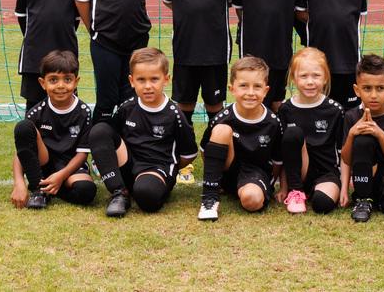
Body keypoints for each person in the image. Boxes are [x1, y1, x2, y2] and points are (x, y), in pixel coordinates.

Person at [87, 48, 198, 217]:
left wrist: (169, 171)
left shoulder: (175, 114)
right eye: (141, 80)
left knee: (146, 195)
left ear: (166, 79)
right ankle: (119, 193)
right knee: (99, 131)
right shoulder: (127, 108)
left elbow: (189, 154)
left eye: (154, 79)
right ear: (132, 81)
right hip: (129, 165)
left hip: (157, 168)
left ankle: (150, 187)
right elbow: (111, 139)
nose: (148, 86)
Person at [197, 56, 284, 221]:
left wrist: (266, 184)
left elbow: (278, 162)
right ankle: (210, 198)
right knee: (222, 131)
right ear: (232, 89)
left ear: (266, 91)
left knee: (252, 201)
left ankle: (253, 190)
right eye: (243, 86)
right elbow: (205, 152)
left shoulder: (273, 122)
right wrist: (218, 173)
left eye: (257, 87)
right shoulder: (222, 118)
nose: (250, 93)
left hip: (255, 173)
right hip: (228, 170)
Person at [10, 50, 96, 210]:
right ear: (43, 83)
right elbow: (21, 151)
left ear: (76, 82)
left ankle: (49, 189)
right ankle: (38, 189)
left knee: (86, 191)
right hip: (44, 163)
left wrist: (61, 176)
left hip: (72, 165)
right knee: (23, 128)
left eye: (68, 79)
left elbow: (83, 153)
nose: (61, 86)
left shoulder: (84, 111)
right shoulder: (36, 113)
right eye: (53, 80)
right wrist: (19, 183)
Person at [340, 54, 384, 222]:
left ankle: (378, 201)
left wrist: (379, 133)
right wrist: (351, 134)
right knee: (362, 139)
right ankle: (363, 198)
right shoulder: (351, 116)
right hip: (364, 175)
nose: (373, 95)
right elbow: (346, 158)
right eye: (367, 88)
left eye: (380, 88)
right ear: (357, 90)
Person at [276, 47, 345, 214]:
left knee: (322, 205)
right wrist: (284, 187)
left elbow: (343, 152)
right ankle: (296, 191)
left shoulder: (335, 110)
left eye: (316, 75)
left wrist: (343, 188)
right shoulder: (286, 109)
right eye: (303, 76)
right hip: (299, 173)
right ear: (293, 78)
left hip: (326, 173)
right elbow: (285, 153)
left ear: (326, 78)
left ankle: (316, 192)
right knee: (293, 134)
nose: (310, 81)